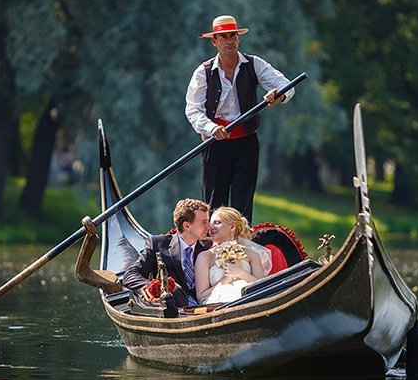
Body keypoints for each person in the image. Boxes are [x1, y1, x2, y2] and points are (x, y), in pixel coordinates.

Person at [186, 15, 292, 223]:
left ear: (238, 38)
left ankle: (241, 248)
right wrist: (210, 127)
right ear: (214, 41)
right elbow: (193, 109)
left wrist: (276, 96)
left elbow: (287, 86)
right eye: (223, 37)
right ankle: (216, 250)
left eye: (232, 35)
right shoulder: (203, 72)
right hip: (215, 143)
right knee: (215, 203)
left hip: (246, 142)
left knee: (243, 203)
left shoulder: (254, 64)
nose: (229, 41)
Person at [122, 198, 212, 308]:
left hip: (209, 302)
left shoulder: (210, 246)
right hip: (174, 307)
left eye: (208, 221)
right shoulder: (158, 244)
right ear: (187, 226)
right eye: (204, 222)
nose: (209, 227)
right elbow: (130, 275)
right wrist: (150, 286)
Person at [195, 206, 271, 305]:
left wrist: (241, 274)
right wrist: (226, 279)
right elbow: (201, 297)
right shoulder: (205, 257)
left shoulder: (252, 254)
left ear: (232, 227)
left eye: (217, 223)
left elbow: (263, 288)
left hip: (250, 301)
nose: (210, 228)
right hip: (219, 305)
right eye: (210, 223)